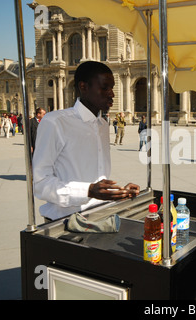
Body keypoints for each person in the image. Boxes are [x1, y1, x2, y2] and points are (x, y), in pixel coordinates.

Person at [33, 61, 140, 222]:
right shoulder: (55, 122)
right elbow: (40, 183)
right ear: (83, 87)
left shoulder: (103, 125)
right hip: (65, 223)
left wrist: (117, 192)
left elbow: (96, 182)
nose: (112, 94)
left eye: (112, 88)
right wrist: (88, 191)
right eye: (105, 87)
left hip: (100, 217)